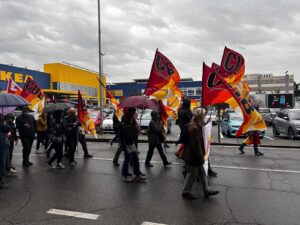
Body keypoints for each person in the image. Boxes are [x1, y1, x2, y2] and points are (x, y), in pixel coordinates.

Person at [182, 108, 219, 200]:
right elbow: (196, 146)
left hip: (194, 155)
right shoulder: (194, 128)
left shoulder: (195, 123)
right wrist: (201, 158)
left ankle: (206, 190)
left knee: (202, 174)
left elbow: (200, 126)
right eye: (203, 116)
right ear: (199, 116)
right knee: (192, 175)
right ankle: (186, 191)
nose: (204, 117)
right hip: (193, 156)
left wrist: (206, 123)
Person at [120, 107, 147, 182]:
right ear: (130, 112)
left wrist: (136, 128)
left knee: (134, 158)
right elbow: (127, 132)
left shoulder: (131, 119)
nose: (135, 113)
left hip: (131, 142)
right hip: (127, 143)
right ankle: (126, 175)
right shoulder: (126, 120)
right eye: (134, 111)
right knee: (128, 159)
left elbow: (132, 130)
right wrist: (135, 130)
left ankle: (137, 174)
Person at [0, 114, 10, 189]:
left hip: (3, 144)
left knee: (2, 164)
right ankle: (1, 182)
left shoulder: (2, 119)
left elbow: (6, 130)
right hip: (2, 145)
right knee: (1, 164)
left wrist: (5, 125)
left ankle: (1, 181)